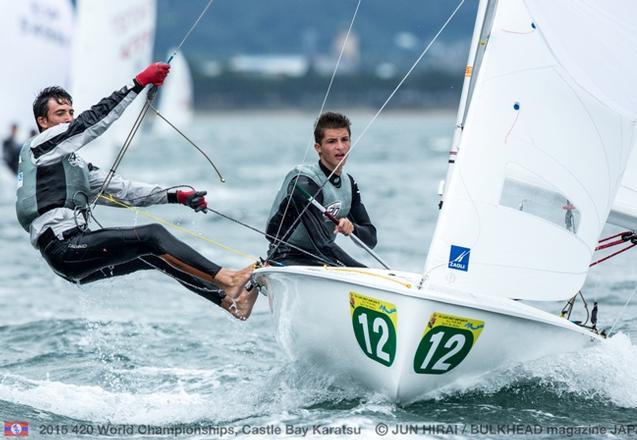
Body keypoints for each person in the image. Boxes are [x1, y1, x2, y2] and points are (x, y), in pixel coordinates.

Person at [15, 63, 258, 320]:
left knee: (153, 256)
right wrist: (138, 83)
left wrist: (175, 196)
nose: (68, 119)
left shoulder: (76, 166)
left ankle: (232, 303)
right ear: (42, 121)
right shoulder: (38, 148)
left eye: (70, 112)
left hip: (73, 254)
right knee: (152, 234)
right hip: (64, 249)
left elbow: (125, 191)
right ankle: (228, 278)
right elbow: (91, 123)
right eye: (60, 113)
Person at [265, 111, 377, 267]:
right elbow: (321, 243)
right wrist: (366, 272)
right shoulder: (304, 183)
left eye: (344, 140)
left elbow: (371, 239)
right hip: (286, 258)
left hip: (321, 259)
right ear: (318, 147)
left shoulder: (348, 183)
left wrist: (353, 229)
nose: (340, 147)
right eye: (332, 141)